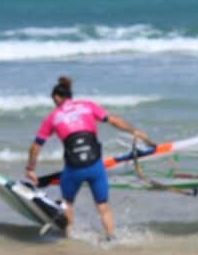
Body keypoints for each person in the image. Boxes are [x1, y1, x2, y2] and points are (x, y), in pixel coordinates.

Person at [25, 76, 153, 239]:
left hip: (74, 169)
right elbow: (113, 120)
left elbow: (36, 147)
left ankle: (68, 238)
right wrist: (134, 131)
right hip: (95, 167)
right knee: (103, 206)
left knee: (67, 203)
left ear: (57, 98)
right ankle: (111, 237)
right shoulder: (88, 106)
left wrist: (30, 169)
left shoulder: (53, 117)